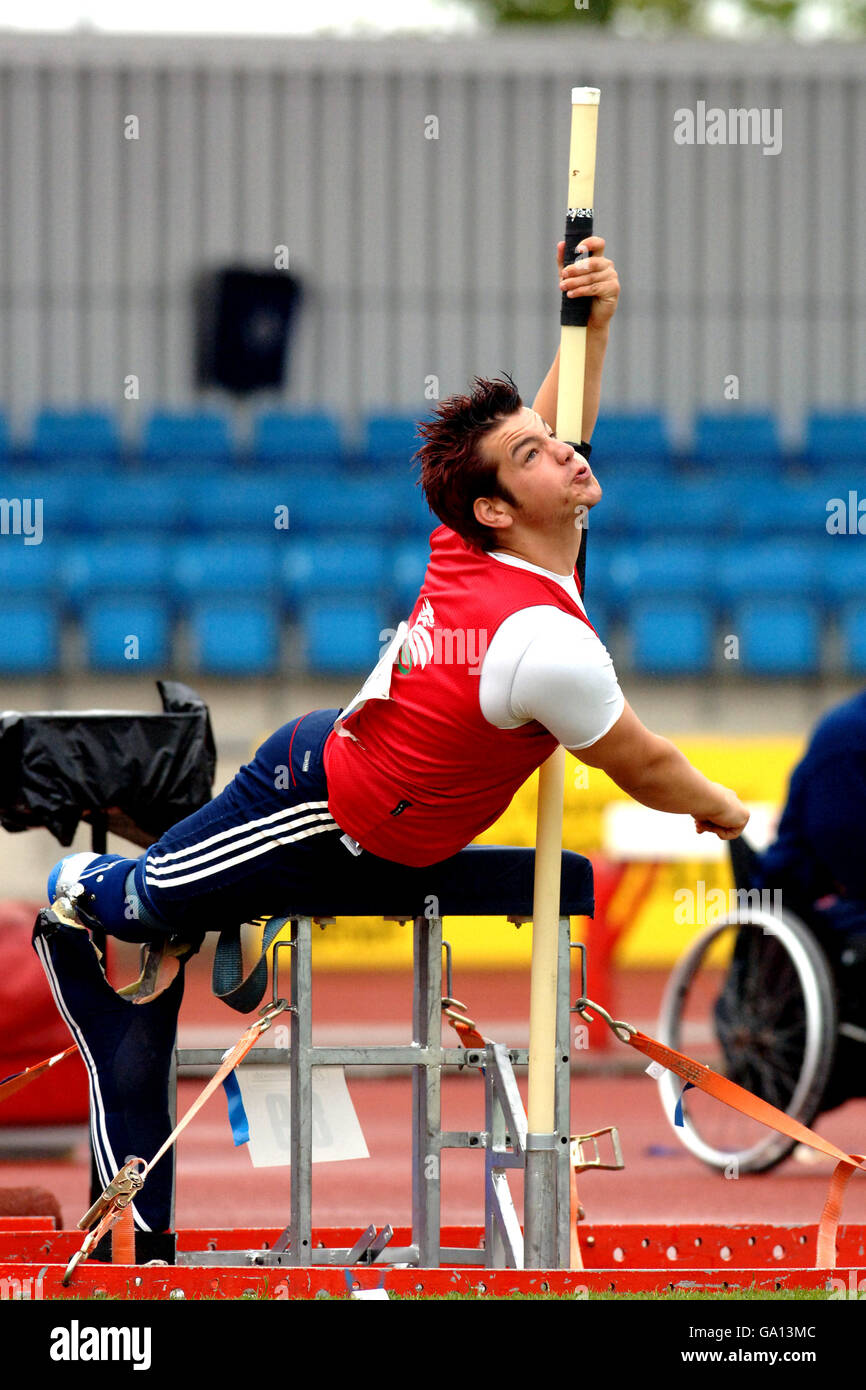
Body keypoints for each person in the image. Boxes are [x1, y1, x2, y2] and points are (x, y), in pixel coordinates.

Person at [48, 235, 750, 944]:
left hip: (381, 814)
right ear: (495, 511)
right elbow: (646, 762)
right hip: (317, 800)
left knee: (181, 894)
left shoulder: (478, 537)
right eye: (533, 453)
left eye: (546, 439)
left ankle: (187, 867)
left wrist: (590, 326)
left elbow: (561, 423)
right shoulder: (546, 642)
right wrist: (722, 805)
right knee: (138, 907)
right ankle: (76, 881)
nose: (567, 450)